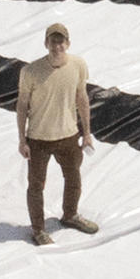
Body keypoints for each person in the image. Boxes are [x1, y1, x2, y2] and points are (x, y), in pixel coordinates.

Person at [16, 22, 97, 246]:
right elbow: (22, 106)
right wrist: (22, 140)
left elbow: (82, 98)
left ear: (68, 43)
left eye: (61, 41)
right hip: (39, 139)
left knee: (73, 177)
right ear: (46, 43)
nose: (57, 45)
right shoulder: (30, 71)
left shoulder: (78, 65)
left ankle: (70, 215)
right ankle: (38, 229)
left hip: (69, 136)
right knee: (36, 185)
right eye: (53, 40)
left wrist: (87, 133)